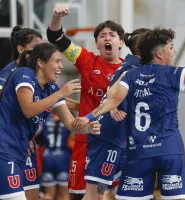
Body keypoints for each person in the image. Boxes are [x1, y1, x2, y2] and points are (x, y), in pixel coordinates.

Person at [73, 27, 185, 199]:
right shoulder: (171, 73)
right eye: (171, 47)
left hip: (137, 150)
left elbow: (112, 99)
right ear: (159, 54)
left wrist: (88, 117)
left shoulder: (131, 72)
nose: (174, 51)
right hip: (164, 149)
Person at [0, 42, 100, 200]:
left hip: (24, 148)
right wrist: (61, 93)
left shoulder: (51, 88)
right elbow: (28, 110)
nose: (61, 66)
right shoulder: (24, 74)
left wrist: (88, 128)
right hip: (5, 147)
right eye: (57, 61)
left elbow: (70, 123)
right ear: (40, 62)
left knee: (33, 196)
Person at [46, 3, 124, 199]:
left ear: (121, 43)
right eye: (102, 36)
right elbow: (56, 38)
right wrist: (57, 16)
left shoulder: (129, 71)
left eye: (112, 35)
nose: (107, 38)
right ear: (97, 44)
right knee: (80, 195)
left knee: (115, 195)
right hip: (86, 141)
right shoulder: (86, 60)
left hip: (116, 144)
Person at [83, 28, 150, 200]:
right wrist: (90, 116)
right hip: (106, 138)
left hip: (122, 140)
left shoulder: (136, 66)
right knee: (95, 195)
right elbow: (112, 95)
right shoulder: (131, 68)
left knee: (131, 192)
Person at [0, 26, 42, 200]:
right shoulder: (8, 72)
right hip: (9, 144)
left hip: (26, 143)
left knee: (32, 194)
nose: (39, 53)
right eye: (35, 47)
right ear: (20, 48)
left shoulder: (36, 73)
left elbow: (52, 101)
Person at [40, 112, 72, 200]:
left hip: (47, 157)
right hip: (63, 157)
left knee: (48, 195)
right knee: (64, 194)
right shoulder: (68, 118)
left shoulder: (45, 118)